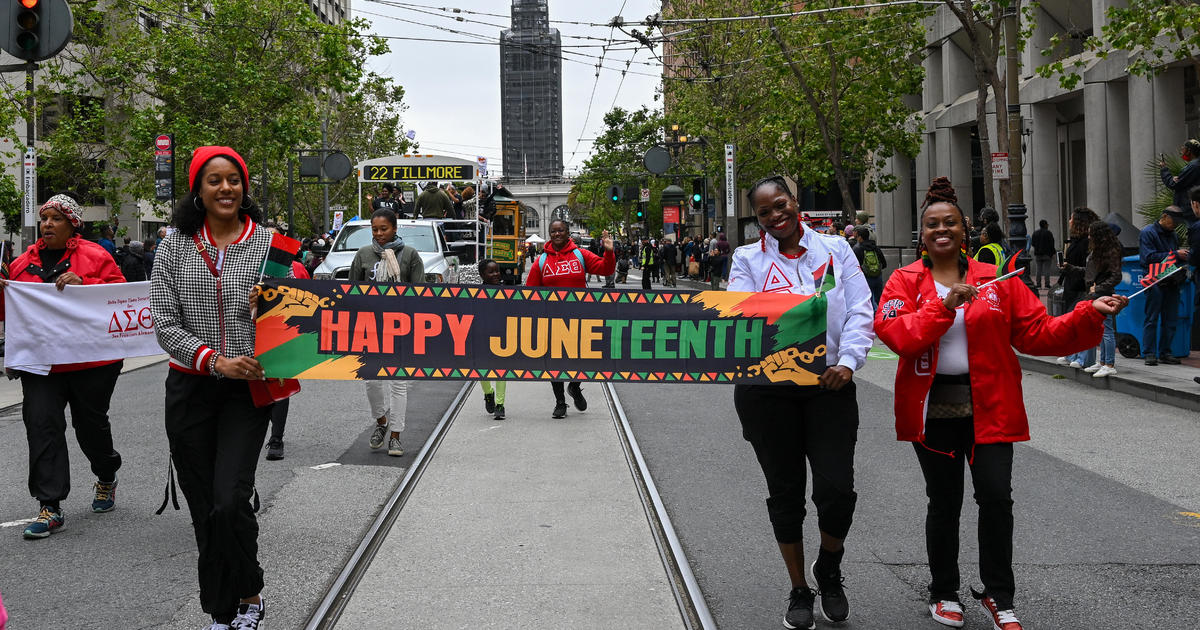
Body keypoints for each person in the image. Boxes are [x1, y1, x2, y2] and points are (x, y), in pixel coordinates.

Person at [875, 176, 1126, 630]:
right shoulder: (903, 281)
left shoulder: (997, 280)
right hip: (931, 410)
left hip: (991, 406)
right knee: (944, 501)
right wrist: (944, 305)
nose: (941, 230)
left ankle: (999, 595)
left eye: (950, 222)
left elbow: (1037, 332)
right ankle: (944, 592)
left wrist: (1090, 310)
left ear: (964, 230)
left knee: (996, 498)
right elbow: (899, 336)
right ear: (922, 234)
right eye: (932, 224)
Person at [727, 175, 874, 630]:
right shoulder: (745, 259)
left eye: (781, 204)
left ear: (795, 203)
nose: (776, 215)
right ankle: (799, 588)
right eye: (765, 211)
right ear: (758, 219)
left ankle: (829, 567)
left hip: (829, 386)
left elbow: (860, 310)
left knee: (837, 490)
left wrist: (847, 362)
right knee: (785, 492)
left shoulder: (836, 249)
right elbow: (739, 313)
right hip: (768, 392)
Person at [149, 146, 274, 629]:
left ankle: (250, 592)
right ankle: (222, 610)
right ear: (198, 191)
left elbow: (302, 312)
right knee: (205, 509)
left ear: (244, 189)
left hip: (248, 393)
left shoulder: (271, 246)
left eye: (234, 180)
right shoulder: (172, 246)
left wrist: (274, 311)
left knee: (229, 501)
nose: (226, 188)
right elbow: (164, 323)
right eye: (214, 181)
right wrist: (214, 359)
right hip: (190, 391)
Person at [3, 194, 127, 540]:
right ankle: (50, 505)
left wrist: (85, 284)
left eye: (56, 218)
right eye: (45, 219)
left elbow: (120, 294)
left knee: (90, 425)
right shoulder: (20, 265)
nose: (47, 224)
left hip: (92, 361)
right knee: (42, 425)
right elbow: (9, 312)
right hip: (42, 365)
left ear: (73, 223)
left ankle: (106, 475)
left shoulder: (95, 256)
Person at [349, 207, 424, 456]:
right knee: (371, 381)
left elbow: (420, 294)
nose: (379, 234)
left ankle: (395, 436)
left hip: (401, 328)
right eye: (375, 229)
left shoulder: (411, 255)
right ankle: (381, 422)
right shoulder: (363, 254)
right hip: (369, 327)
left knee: (398, 383)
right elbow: (352, 291)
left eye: (384, 229)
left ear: (395, 229)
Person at [525, 219, 614, 418]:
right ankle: (560, 403)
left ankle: (574, 387)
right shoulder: (541, 261)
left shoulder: (580, 255)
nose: (557, 234)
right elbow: (530, 294)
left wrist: (608, 252)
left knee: (582, 360)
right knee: (554, 363)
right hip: (552, 321)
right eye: (553, 231)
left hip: (580, 319)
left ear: (568, 233)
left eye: (561, 231)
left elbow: (605, 269)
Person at [264, 231, 311, 462]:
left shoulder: (284, 261)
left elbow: (296, 295)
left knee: (279, 385)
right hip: (245, 332)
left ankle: (276, 438)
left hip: (277, 330)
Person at [1138, 206, 1189, 366]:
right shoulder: (1148, 232)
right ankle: (1149, 353)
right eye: (1173, 221)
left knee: (1170, 319)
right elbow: (1148, 258)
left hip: (1171, 280)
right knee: (1152, 318)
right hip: (1154, 281)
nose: (1175, 225)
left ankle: (1165, 352)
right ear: (1165, 216)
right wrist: (1175, 254)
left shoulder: (1172, 234)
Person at [1077, 221, 1124, 378]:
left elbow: (1116, 275)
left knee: (1107, 329)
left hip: (1103, 293)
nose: (1089, 236)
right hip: (1097, 293)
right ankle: (1103, 362)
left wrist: (1098, 288)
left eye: (1091, 233)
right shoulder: (1101, 250)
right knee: (1101, 329)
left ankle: (1109, 363)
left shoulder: (1110, 251)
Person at [1055, 207, 1099, 368]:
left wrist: (1070, 267)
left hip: (1081, 286)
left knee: (1082, 322)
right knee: (1072, 321)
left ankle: (1082, 358)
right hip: (1072, 285)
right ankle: (1072, 354)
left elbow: (1087, 267)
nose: (1069, 221)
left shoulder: (1086, 242)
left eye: (1072, 218)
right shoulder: (1075, 240)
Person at [477, 259, 507, 420]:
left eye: (497, 270)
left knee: (501, 370)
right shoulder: (476, 294)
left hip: (501, 337)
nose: (496, 274)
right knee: (482, 370)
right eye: (491, 271)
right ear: (482, 275)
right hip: (482, 336)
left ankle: (500, 404)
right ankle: (488, 393)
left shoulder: (506, 293)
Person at [850, 226, 887, 308]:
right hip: (878, 276)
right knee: (879, 299)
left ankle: (873, 315)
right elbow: (884, 263)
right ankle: (880, 316)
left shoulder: (857, 249)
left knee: (869, 300)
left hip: (865, 278)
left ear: (860, 237)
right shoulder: (875, 247)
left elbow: (853, 265)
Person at [1159, 139, 1200, 210]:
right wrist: (1178, 178)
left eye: (1183, 149)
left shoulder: (1193, 166)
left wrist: (1164, 169)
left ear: (1188, 151)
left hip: (1187, 210)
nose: (1181, 151)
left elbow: (1174, 184)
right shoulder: (1196, 164)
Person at [1030, 219, 1056, 289]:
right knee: (1046, 270)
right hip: (1047, 254)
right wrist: (1053, 253)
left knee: (1038, 270)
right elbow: (1052, 244)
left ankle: (1038, 284)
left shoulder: (1035, 233)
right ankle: (1047, 284)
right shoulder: (1048, 233)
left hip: (1038, 254)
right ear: (1045, 225)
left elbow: (1033, 243)